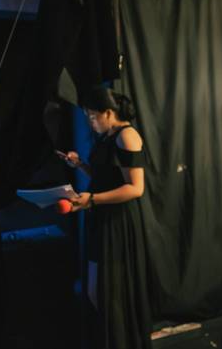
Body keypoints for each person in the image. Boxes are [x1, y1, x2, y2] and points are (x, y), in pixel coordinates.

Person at [58, 87, 152, 349]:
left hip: (117, 222)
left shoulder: (128, 136)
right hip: (100, 218)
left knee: (109, 293)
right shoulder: (107, 136)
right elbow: (103, 178)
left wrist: (92, 199)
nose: (91, 121)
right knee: (96, 290)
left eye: (92, 116)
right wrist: (79, 165)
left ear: (109, 112)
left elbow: (136, 188)